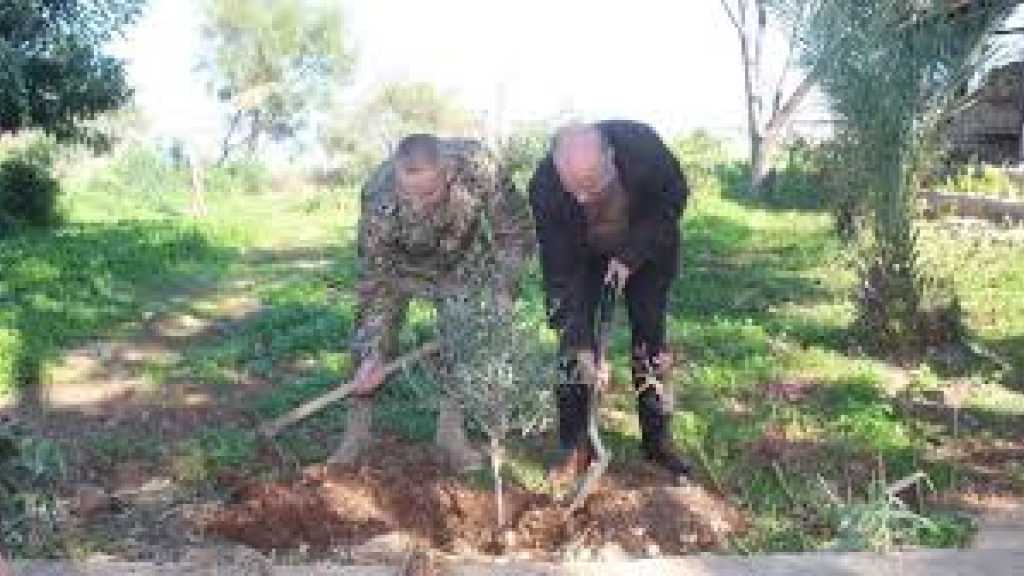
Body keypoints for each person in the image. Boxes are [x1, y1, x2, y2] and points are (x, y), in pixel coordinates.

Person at [331, 133, 532, 472]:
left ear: (448, 172)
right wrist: (372, 352)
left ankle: (450, 436)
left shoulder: (477, 167)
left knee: (461, 339)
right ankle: (356, 436)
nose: (419, 204)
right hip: (399, 269)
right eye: (409, 195)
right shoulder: (378, 196)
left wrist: (503, 289)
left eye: (428, 193)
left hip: (461, 265)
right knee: (368, 350)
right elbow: (374, 283)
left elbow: (514, 231)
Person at [528, 120, 692, 481]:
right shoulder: (545, 186)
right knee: (573, 354)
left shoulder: (643, 149)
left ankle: (658, 440)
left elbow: (673, 199)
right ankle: (575, 445)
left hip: (645, 250)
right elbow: (559, 270)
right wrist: (580, 343)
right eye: (574, 190)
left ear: (610, 158)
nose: (583, 199)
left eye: (592, 188)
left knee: (650, 341)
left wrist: (632, 254)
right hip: (583, 257)